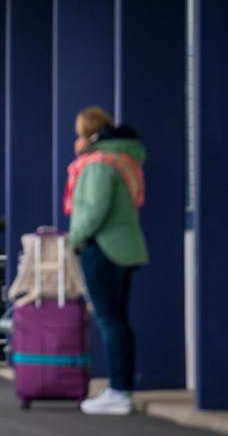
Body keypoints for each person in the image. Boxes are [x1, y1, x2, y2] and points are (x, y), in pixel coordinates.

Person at [65, 106, 147, 416]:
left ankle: (117, 391)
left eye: (79, 135)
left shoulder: (99, 163)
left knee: (109, 320)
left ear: (90, 135)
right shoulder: (125, 159)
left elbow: (93, 210)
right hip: (126, 248)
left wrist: (74, 241)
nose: (77, 141)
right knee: (119, 320)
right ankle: (121, 387)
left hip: (103, 249)